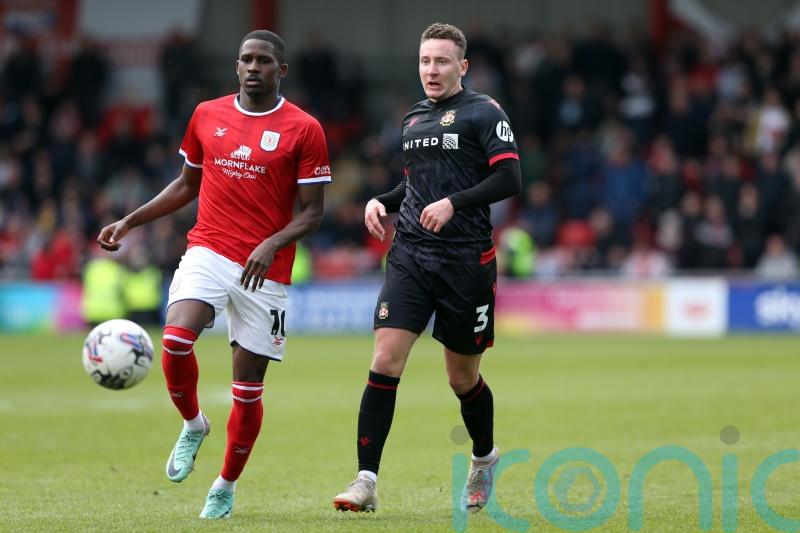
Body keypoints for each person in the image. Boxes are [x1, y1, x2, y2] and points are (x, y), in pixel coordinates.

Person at [97, 30, 330, 519]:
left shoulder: (304, 128)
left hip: (266, 269)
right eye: (245, 59)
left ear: (280, 71)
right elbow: (186, 184)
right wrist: (129, 221)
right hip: (209, 248)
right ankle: (193, 423)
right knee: (176, 338)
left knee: (247, 390)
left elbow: (312, 213)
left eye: (263, 61)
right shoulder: (207, 114)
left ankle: (225, 485)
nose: (252, 68)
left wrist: (272, 243)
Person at [332, 22, 520, 514]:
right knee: (384, 360)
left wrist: (456, 204)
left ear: (463, 66)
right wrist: (382, 201)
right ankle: (365, 481)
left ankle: (483, 458)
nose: (431, 71)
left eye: (440, 61)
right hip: (412, 255)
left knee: (461, 378)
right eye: (424, 61)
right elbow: (417, 187)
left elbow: (509, 177)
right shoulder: (413, 117)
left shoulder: (484, 113)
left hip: (466, 263)